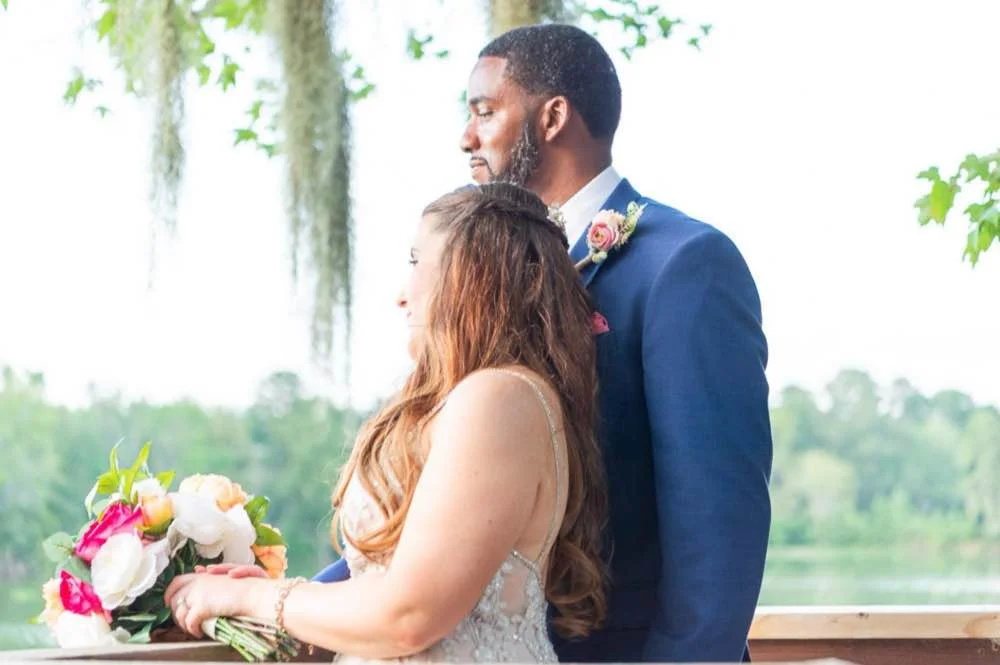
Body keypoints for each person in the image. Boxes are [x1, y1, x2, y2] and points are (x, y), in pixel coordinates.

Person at [165, 183, 609, 664]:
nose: (401, 295)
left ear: (471, 273)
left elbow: (409, 616)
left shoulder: (500, 396)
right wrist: (291, 600)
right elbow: (385, 594)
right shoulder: (477, 399)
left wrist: (249, 599)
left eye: (416, 261)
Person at [458, 24, 773, 663]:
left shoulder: (684, 265)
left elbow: (719, 528)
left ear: (552, 117)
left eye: (485, 111)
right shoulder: (487, 276)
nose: (466, 136)